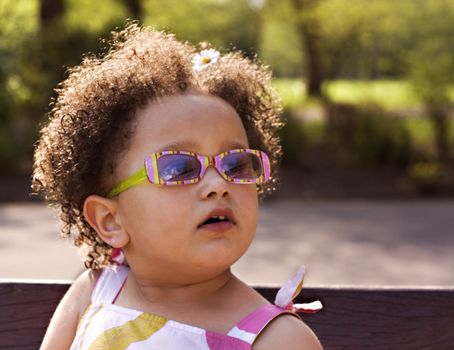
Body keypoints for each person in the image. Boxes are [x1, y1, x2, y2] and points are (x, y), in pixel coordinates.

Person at [33, 23, 322, 349]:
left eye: (235, 164)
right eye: (179, 169)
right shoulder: (95, 293)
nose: (218, 185)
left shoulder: (277, 340)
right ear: (110, 221)